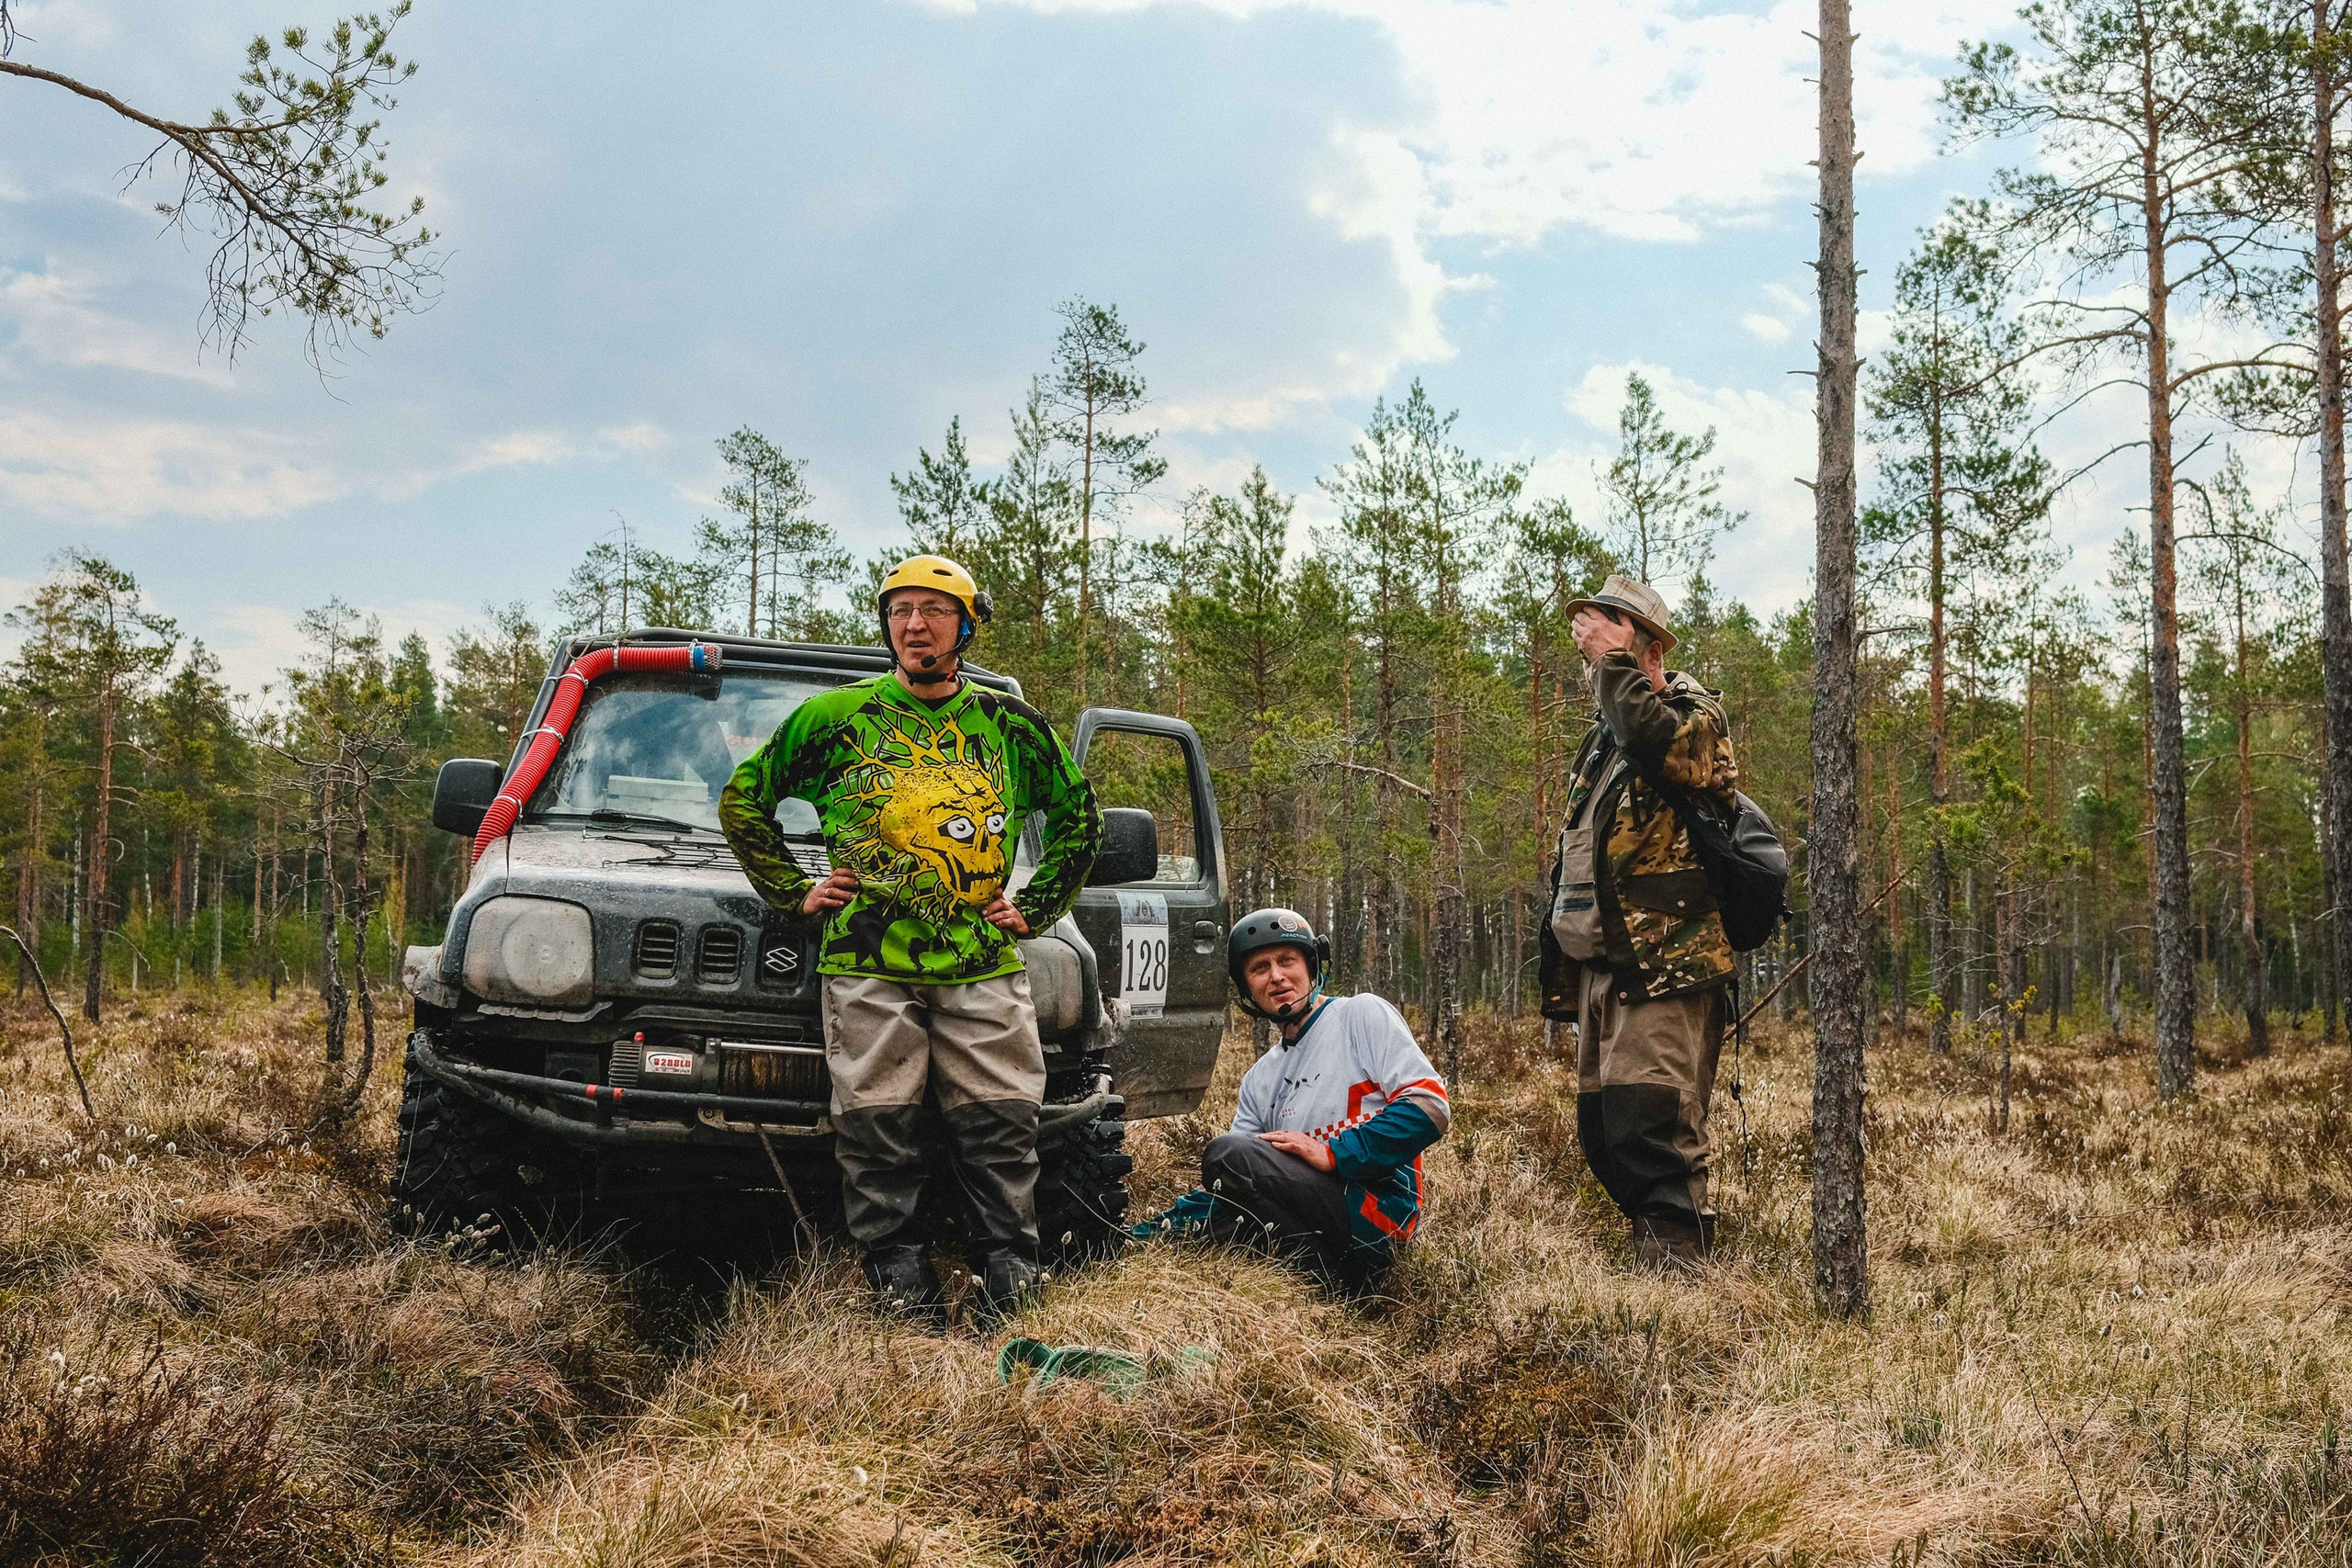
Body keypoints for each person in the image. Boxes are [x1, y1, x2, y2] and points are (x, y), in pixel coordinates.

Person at [718, 555, 1102, 1321]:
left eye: (933, 609)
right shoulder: (836, 718)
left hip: (979, 957)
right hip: (866, 957)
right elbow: (744, 800)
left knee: (1001, 1117)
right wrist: (797, 889)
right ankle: (898, 1278)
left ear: (965, 625)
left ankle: (1010, 1272)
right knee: (876, 1119)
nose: (914, 624)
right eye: (900, 610)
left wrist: (1036, 904)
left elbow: (1079, 815)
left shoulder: (1008, 723)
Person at [1538, 573, 1739, 1272]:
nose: (1595, 655)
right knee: (1604, 1130)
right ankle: (1653, 1265)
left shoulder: (1692, 714)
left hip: (1668, 964)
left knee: (1655, 1126)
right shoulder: (1605, 737)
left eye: (1612, 636)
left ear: (1649, 647)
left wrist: (1619, 669)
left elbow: (1659, 743)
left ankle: (1681, 1292)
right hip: (1607, 964)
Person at [1131, 908, 1449, 1290]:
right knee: (1222, 1203)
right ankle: (1118, 1246)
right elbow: (1231, 1183)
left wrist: (1334, 1153)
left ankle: (1339, 1278)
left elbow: (1430, 1107)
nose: (1277, 976)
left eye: (1287, 961)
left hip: (1373, 1215)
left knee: (1227, 1154)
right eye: (1260, 968)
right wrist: (1144, 1232)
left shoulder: (1360, 1015)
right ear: (1247, 989)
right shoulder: (1259, 1079)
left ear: (1311, 967)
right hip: (1307, 1222)